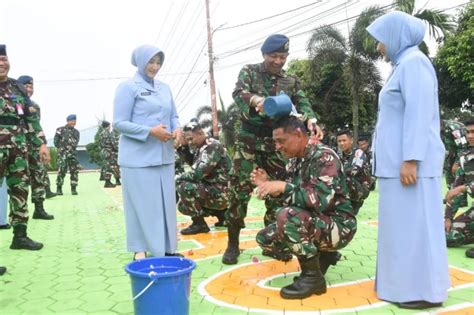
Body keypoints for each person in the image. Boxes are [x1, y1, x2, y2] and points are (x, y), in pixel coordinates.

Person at [367, 11, 450, 309]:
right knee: (403, 232)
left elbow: (418, 113)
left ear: (396, 36)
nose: (379, 47)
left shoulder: (415, 64)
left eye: (381, 41)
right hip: (397, 165)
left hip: (410, 166)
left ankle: (423, 292)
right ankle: (403, 287)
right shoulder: (403, 66)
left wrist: (411, 159)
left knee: (418, 231)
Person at [223, 34, 322, 265]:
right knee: (238, 192)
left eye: (283, 56)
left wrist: (310, 119)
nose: (278, 61)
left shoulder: (291, 81)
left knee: (277, 193)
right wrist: (256, 100)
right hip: (248, 143)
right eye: (273, 56)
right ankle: (233, 243)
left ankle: (273, 242)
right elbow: (238, 94)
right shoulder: (249, 71)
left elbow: (303, 101)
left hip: (277, 146)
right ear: (264, 55)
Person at [254, 116, 356, 299]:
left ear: (298, 134)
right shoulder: (294, 161)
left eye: (281, 141)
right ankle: (324, 255)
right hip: (316, 221)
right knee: (265, 239)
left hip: (340, 225)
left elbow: (320, 200)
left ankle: (313, 277)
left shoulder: (324, 156)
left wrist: (282, 187)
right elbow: (294, 199)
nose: (277, 147)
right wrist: (270, 187)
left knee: (288, 217)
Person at [113, 44, 182, 260]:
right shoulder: (128, 87)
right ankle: (139, 249)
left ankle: (168, 248)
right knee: (141, 206)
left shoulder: (164, 88)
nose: (155, 66)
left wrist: (178, 128)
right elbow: (119, 123)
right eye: (151, 62)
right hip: (138, 158)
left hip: (164, 156)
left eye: (158, 62)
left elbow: (173, 116)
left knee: (166, 205)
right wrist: (149, 132)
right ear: (141, 62)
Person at [0, 44, 49, 251]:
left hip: (18, 149)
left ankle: (20, 236)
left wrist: (42, 143)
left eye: (4, 59)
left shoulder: (17, 88)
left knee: (20, 190)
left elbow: (30, 117)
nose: (2, 63)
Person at [176, 121, 230, 235]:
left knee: (184, 186)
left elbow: (198, 173)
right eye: (187, 140)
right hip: (218, 189)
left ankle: (199, 224)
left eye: (191, 139)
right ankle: (222, 215)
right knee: (183, 205)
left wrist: (177, 178)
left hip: (224, 193)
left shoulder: (211, 146)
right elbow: (193, 163)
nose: (190, 142)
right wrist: (182, 146)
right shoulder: (201, 146)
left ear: (200, 133)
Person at [17, 75, 54, 220]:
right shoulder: (16, 103)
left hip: (34, 146)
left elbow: (36, 125)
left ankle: (39, 209)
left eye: (31, 86)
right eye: (26, 86)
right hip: (18, 146)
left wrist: (42, 144)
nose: (29, 89)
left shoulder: (35, 106)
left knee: (38, 176)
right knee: (20, 180)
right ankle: (19, 214)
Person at [444, 119, 474, 258]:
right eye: (468, 132)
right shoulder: (465, 158)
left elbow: (459, 189)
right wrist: (448, 218)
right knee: (451, 236)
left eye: (473, 132)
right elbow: (454, 191)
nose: (470, 136)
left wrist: (463, 188)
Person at [336, 129, 372, 214]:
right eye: (339, 141)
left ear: (351, 140)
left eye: (344, 140)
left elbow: (353, 171)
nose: (341, 143)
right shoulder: (340, 154)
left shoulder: (358, 153)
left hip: (360, 189)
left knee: (345, 177)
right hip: (349, 186)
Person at [441, 119, 468, 206]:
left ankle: (461, 200)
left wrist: (457, 163)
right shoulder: (438, 128)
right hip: (453, 151)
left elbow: (463, 145)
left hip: (465, 150)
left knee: (459, 172)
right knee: (448, 169)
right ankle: (452, 196)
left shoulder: (453, 127)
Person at [54, 114, 80, 195]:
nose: (74, 122)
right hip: (63, 154)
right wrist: (61, 149)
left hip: (73, 154)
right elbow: (56, 141)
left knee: (74, 171)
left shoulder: (76, 132)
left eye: (75, 121)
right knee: (61, 171)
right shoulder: (60, 129)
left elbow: (76, 142)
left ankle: (73, 188)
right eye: (72, 120)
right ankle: (59, 188)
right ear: (68, 121)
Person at [99, 120, 121, 188]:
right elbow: (113, 144)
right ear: (108, 126)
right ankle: (109, 182)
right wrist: (118, 149)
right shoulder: (109, 133)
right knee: (113, 166)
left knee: (107, 166)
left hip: (104, 151)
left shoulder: (101, 134)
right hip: (110, 152)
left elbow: (100, 144)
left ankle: (109, 181)